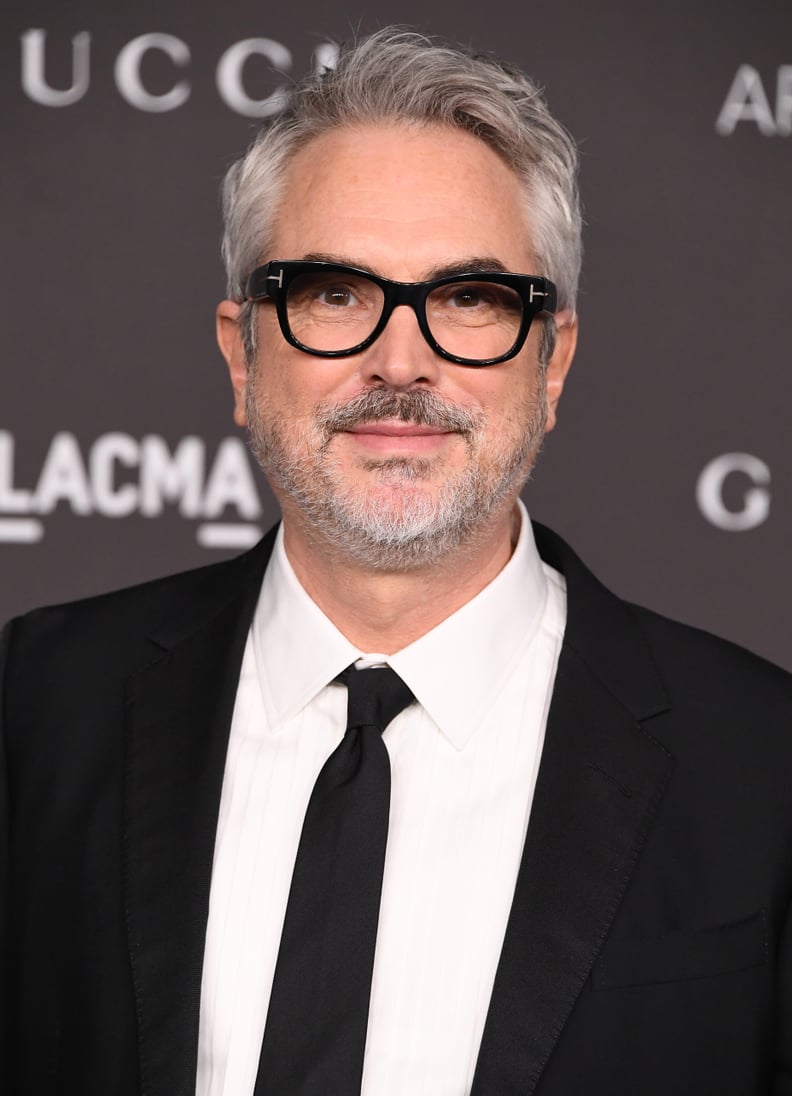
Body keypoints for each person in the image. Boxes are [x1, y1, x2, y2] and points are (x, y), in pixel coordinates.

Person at [2, 27, 791, 1096]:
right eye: (334, 292)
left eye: (470, 299)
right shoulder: (34, 709)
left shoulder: (763, 766)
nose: (401, 361)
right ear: (242, 353)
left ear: (551, 360)